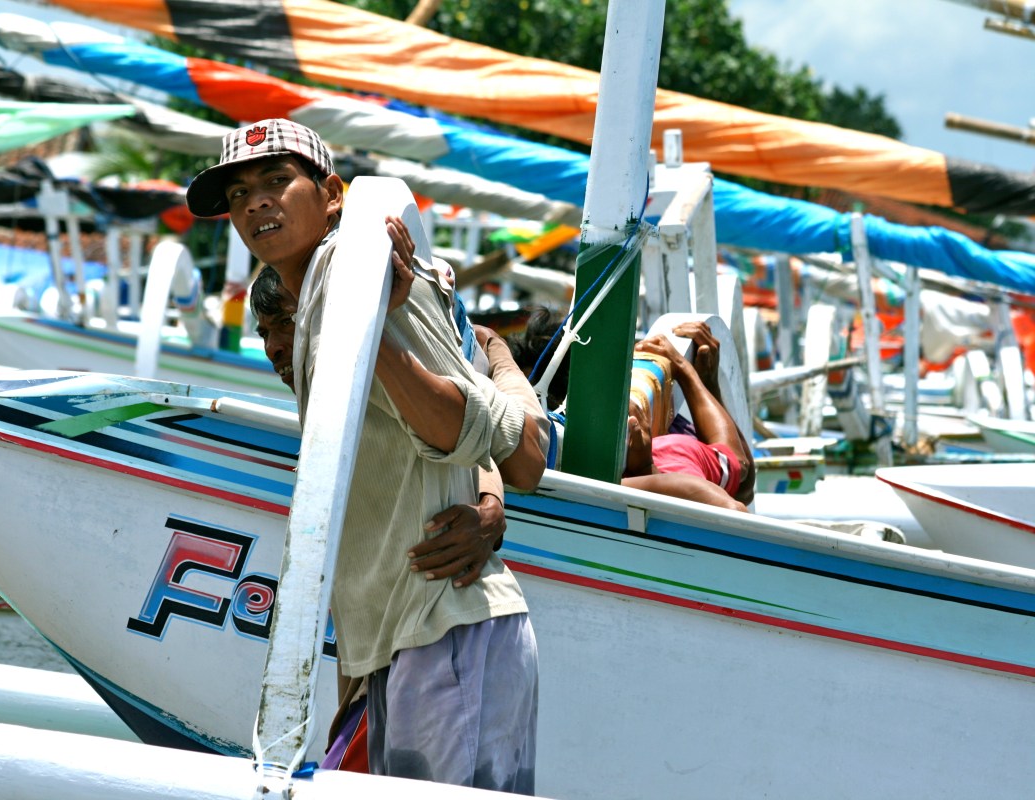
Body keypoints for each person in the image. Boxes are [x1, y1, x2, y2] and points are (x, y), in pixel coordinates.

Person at [187, 118, 540, 793]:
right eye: (238, 195)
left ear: (333, 194)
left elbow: (510, 444)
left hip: (446, 631)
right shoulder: (325, 294)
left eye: (275, 181)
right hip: (407, 643)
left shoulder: (351, 270)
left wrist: (490, 496)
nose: (255, 203)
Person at [250, 265, 532, 773]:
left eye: (286, 323)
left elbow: (498, 442)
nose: (274, 346)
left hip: (426, 640)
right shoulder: (328, 407)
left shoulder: (377, 375)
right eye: (265, 331)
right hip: (379, 664)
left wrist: (491, 505)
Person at [509, 308, 755, 511]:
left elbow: (742, 482)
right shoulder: (673, 450)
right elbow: (739, 473)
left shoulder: (669, 448)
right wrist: (690, 374)